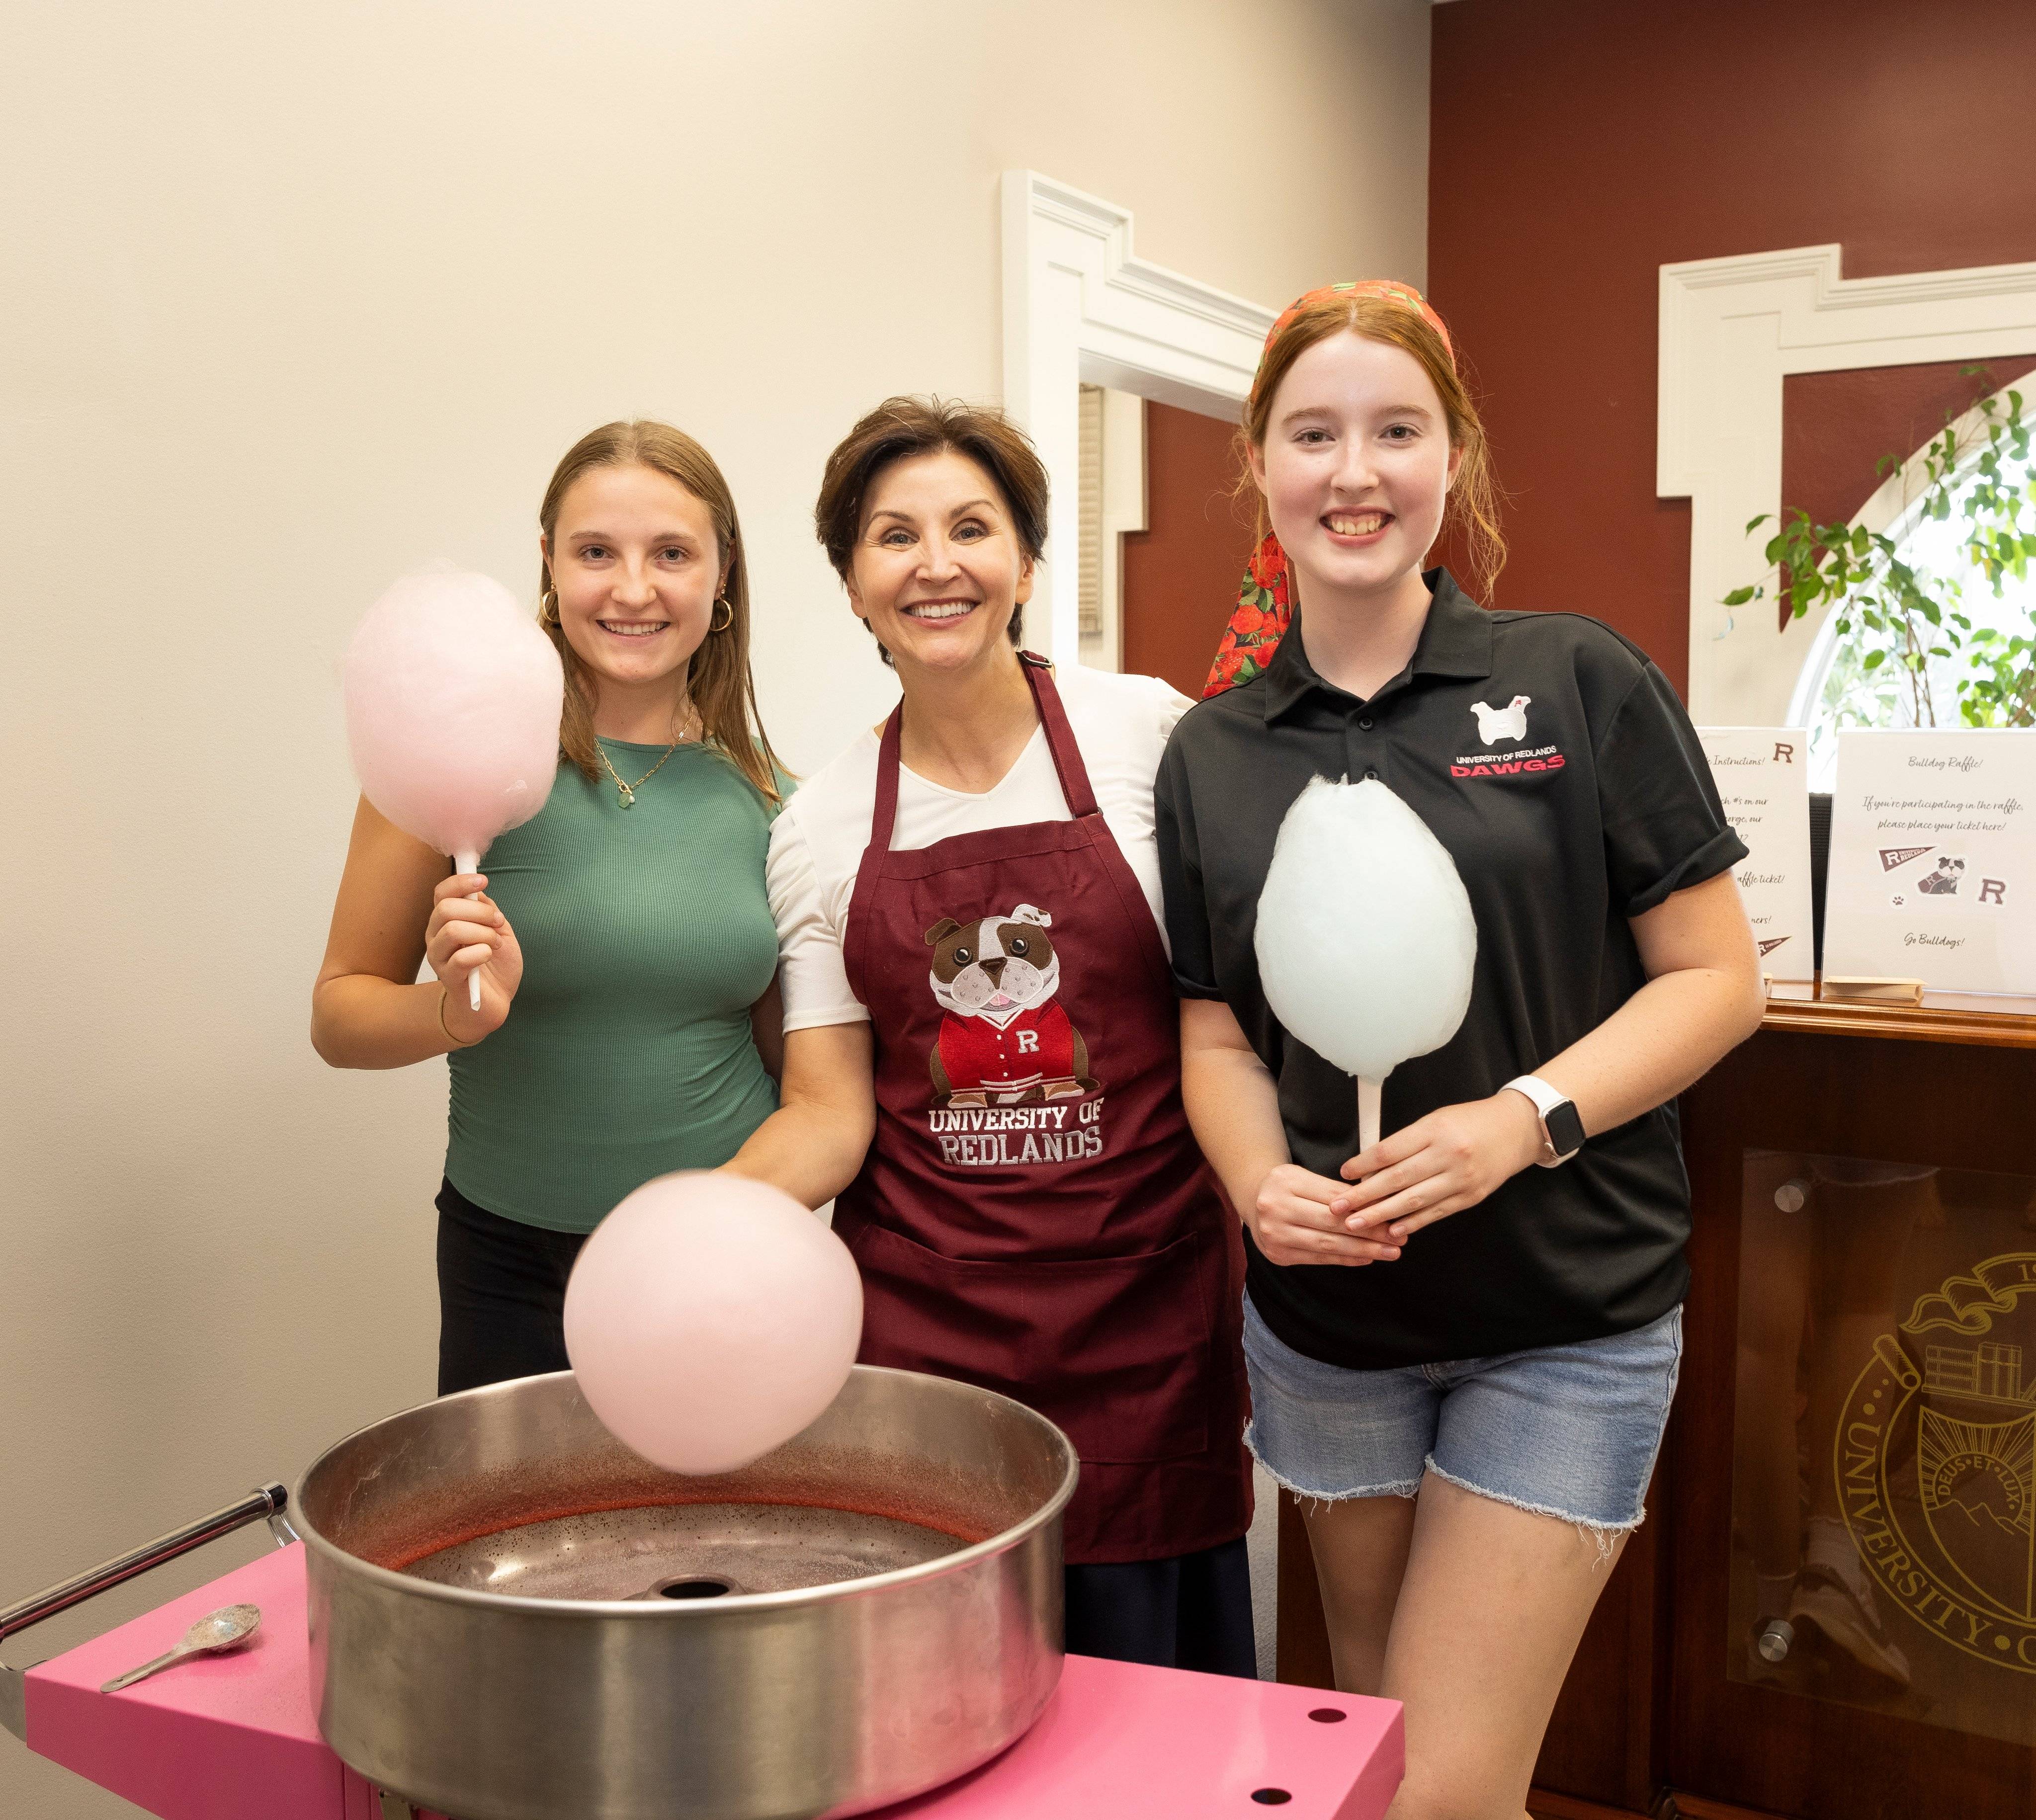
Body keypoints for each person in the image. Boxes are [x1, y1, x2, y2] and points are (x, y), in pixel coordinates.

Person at [1156, 282, 1766, 1818]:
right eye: (1314, 434)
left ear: (1453, 460)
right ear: (1264, 468)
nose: (1353, 472)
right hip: (1331, 1331)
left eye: (1394, 432)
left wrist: (1523, 1117)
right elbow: (1218, 1025)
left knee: (1439, 1783)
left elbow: (1717, 980)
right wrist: (1253, 1180)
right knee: (1375, 1755)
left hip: (1566, 1316)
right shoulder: (1212, 750)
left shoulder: (1576, 681)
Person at [725, 397, 1255, 1675]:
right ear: (854, 583)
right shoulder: (820, 822)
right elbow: (826, 1110)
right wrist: (686, 1228)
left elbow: (1232, 1031)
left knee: (1152, 1736)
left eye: (971, 527)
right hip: (928, 1354)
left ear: (1024, 562)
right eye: (892, 536)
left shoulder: (1151, 739)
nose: (934, 562)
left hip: (1147, 1325)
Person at [313, 420, 788, 1395]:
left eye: (671, 553)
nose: (631, 588)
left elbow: (797, 1064)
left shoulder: (779, 802)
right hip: (510, 1272)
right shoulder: (449, 769)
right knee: (527, 1543)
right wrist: (456, 1010)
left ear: (721, 571)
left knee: (713, 1546)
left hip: (720, 1263)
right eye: (595, 552)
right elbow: (338, 1014)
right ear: (547, 564)